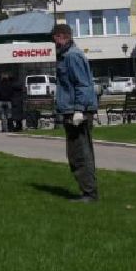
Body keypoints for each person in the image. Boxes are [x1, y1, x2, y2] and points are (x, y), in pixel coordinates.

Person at [52, 22, 100, 202]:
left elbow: (83, 84)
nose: (54, 44)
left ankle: (89, 193)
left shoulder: (72, 56)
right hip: (73, 110)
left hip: (77, 112)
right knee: (77, 152)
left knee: (80, 153)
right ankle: (88, 191)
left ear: (60, 37)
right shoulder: (69, 55)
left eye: (54, 39)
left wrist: (79, 110)